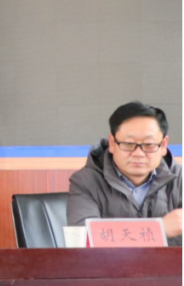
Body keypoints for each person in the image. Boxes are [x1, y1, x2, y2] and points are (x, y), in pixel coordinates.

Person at [68, 102, 183, 246]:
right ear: (112, 143)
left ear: (164, 145)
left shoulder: (180, 178)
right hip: (110, 262)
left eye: (149, 144)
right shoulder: (85, 181)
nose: (138, 153)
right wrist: (159, 229)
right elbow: (85, 240)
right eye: (128, 144)